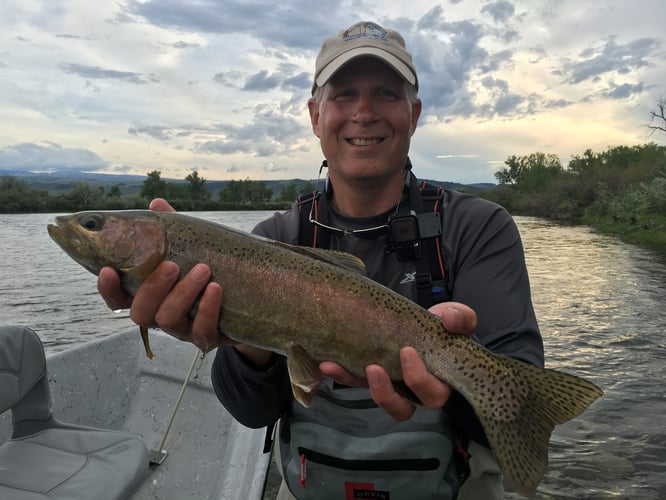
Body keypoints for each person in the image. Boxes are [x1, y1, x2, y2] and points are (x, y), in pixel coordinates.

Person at [98, 21, 544, 500]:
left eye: (386, 94)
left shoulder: (478, 228)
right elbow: (251, 414)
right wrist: (247, 340)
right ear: (315, 116)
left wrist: (442, 382)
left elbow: (517, 409)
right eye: (345, 94)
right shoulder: (272, 239)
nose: (364, 112)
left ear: (413, 115)